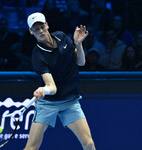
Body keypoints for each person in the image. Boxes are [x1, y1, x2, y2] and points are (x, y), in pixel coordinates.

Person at [24, 12, 96, 150]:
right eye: (36, 29)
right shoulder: (38, 56)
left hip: (70, 101)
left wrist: (78, 43)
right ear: (31, 32)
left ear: (47, 25)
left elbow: (80, 62)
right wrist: (43, 89)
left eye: (41, 26)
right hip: (48, 104)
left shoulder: (62, 37)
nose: (40, 31)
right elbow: (52, 87)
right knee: (31, 147)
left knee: (89, 144)